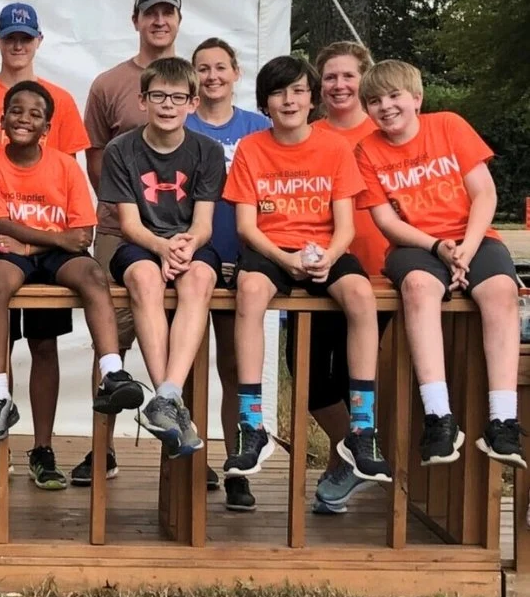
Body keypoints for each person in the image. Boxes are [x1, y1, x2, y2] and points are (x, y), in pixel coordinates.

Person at [221, 55, 390, 512]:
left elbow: (345, 224)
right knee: (251, 291)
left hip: (325, 249)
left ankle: (362, 427)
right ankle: (251, 424)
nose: (289, 99)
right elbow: (246, 226)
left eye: (297, 90)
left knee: (359, 294)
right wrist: (285, 260)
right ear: (266, 102)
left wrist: (329, 257)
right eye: (279, 92)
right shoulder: (252, 148)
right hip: (273, 248)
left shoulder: (334, 148)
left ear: (311, 98)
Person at [356, 60, 524, 471]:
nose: (386, 107)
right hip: (415, 243)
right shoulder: (368, 149)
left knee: (501, 292)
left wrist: (465, 247)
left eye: (395, 96)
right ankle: (438, 416)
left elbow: (484, 193)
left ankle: (503, 420)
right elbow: (387, 222)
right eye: (375, 101)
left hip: (475, 235)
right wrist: (438, 247)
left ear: (416, 98)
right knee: (418, 288)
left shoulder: (448, 125)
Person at [0, 3, 90, 489]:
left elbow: (64, 171)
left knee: (43, 343)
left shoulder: (62, 99)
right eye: (10, 37)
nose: (18, 45)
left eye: (26, 38)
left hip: (46, 244)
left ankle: (43, 447)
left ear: (38, 42)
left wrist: (60, 242)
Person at [0, 80, 144, 455]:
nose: (24, 119)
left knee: (92, 274)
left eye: (36, 114)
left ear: (47, 129)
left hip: (46, 252)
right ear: (2, 119)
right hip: (16, 251)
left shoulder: (65, 166)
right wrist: (55, 238)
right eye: (16, 111)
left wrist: (32, 243)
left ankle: (112, 372)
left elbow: (81, 235)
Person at [79, 0, 183, 484]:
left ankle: (182, 449)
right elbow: (95, 157)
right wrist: (128, 211)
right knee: (110, 340)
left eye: (168, 13)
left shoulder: (192, 78)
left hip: (181, 234)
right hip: (119, 230)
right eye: (151, 13)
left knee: (187, 338)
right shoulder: (108, 83)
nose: (159, 21)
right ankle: (101, 450)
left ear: (178, 21)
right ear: (136, 20)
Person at [97, 58, 225, 458]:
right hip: (142, 242)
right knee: (145, 279)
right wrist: (161, 247)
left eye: (177, 97)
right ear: (142, 100)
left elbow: (204, 222)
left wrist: (184, 246)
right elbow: (129, 225)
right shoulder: (121, 149)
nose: (167, 105)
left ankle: (167, 396)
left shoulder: (208, 150)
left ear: (193, 102)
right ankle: (168, 400)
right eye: (158, 96)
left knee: (200, 281)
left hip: (189, 240)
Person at [307, 40, 393, 514]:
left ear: (365, 78)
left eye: (348, 76)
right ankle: (358, 456)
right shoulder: (307, 131)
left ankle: (350, 463)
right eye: (330, 78)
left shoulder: (384, 129)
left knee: (359, 380)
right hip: (320, 271)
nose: (339, 85)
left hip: (378, 271)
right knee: (312, 383)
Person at [187, 38, 268, 485]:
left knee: (235, 365)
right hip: (197, 255)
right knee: (189, 365)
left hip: (248, 255)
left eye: (221, 67)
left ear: (236, 72)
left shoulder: (260, 127)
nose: (213, 76)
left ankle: (238, 465)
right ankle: (191, 463)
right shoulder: (182, 124)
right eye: (203, 68)